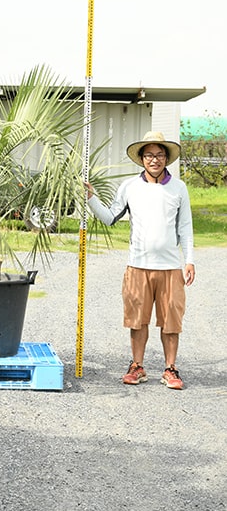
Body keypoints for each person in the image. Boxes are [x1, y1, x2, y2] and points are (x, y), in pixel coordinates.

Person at [87, 131, 195, 390]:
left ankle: (170, 369)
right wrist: (90, 198)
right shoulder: (130, 187)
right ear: (142, 159)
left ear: (166, 158)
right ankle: (137, 366)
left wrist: (189, 260)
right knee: (137, 321)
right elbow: (110, 217)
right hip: (137, 266)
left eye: (159, 154)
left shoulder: (178, 188)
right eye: (149, 155)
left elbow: (186, 228)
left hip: (170, 268)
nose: (154, 160)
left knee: (171, 322)